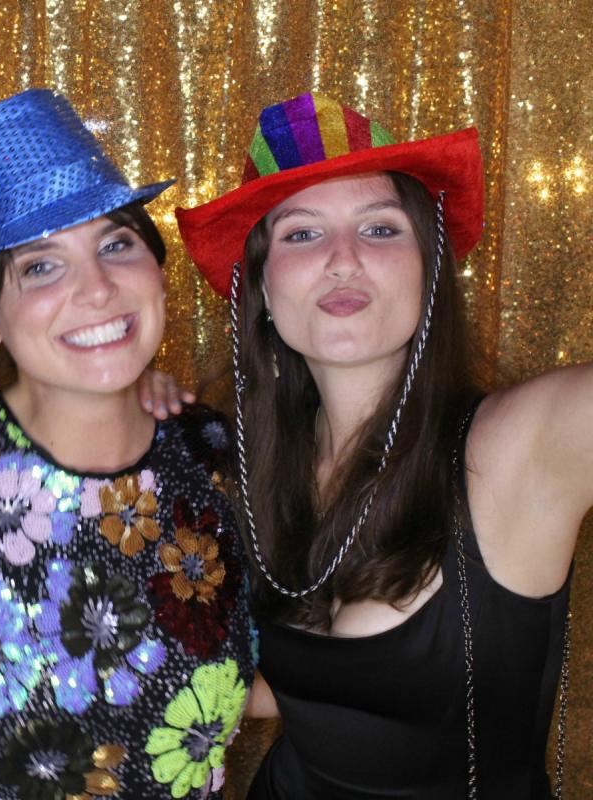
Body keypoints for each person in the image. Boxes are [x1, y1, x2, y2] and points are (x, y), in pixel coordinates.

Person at [176, 92, 591, 798]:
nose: (343, 259)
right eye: (302, 234)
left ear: (430, 267)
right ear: (263, 290)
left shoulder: (516, 445)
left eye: (379, 228)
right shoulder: (245, 467)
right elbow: (296, 686)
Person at [0, 89, 256, 800]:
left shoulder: (219, 454)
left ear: (157, 272)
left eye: (116, 245)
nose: (97, 289)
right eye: (41, 265)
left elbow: (291, 665)